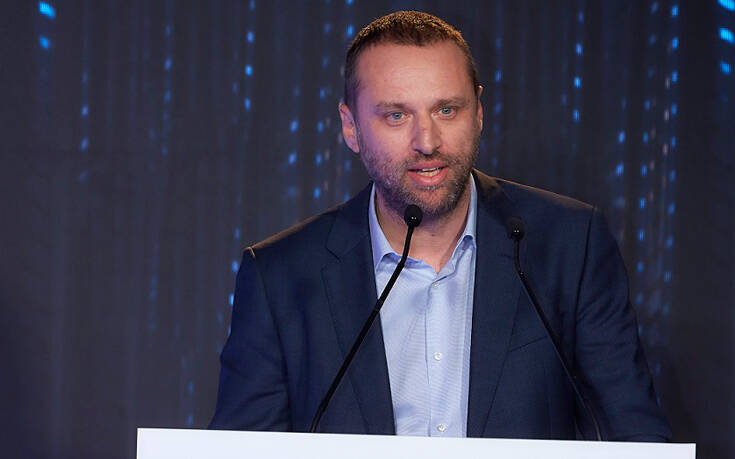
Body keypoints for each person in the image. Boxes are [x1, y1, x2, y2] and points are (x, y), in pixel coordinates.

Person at [210, 11, 671, 441]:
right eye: (396, 115)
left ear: (479, 112)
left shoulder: (569, 247)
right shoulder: (281, 276)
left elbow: (634, 439)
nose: (427, 141)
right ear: (351, 128)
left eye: (447, 110)